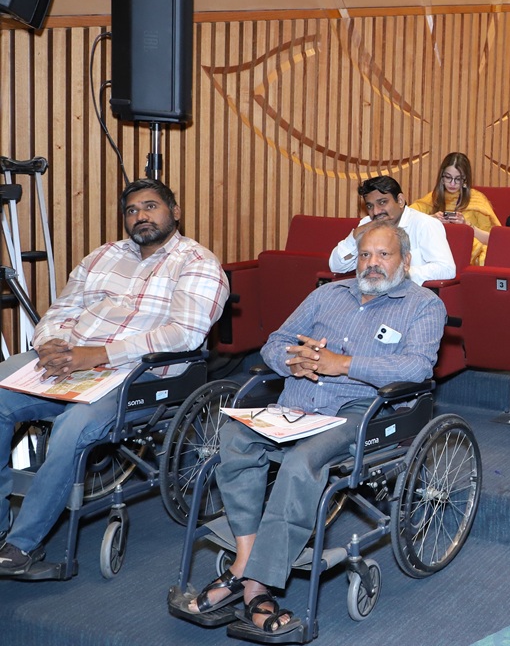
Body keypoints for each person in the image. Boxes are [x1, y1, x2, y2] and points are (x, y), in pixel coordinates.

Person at [169, 223, 444, 638]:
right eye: (365, 254)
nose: (372, 263)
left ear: (404, 261)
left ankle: (256, 585)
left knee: (302, 462)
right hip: (299, 401)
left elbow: (417, 367)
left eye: (383, 255)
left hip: (362, 408)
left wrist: (342, 364)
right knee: (234, 437)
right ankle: (245, 559)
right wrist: (291, 361)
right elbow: (275, 341)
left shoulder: (423, 305)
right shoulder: (327, 294)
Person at [0, 179, 229, 575]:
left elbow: (184, 334)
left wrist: (98, 355)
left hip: (139, 373)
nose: (140, 216)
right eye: (131, 210)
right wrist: (50, 343)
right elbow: (63, 308)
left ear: (175, 212)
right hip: (71, 360)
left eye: (151, 206)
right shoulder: (104, 255)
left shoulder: (198, 263)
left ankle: (22, 545)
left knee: (74, 428)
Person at [328, 176, 455, 282]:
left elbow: (446, 269)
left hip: (410, 296)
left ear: (400, 201)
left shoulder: (424, 224)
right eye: (370, 206)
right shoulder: (367, 224)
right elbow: (336, 267)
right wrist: (354, 237)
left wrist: (398, 273)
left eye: (382, 202)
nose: (376, 212)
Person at [410, 152, 501, 266]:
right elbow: (407, 219)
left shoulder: (478, 201)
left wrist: (467, 226)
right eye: (448, 177)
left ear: (465, 180)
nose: (452, 183)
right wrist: (431, 219)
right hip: (436, 254)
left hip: (468, 255)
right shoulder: (431, 199)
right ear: (441, 178)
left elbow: (494, 240)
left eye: (458, 179)